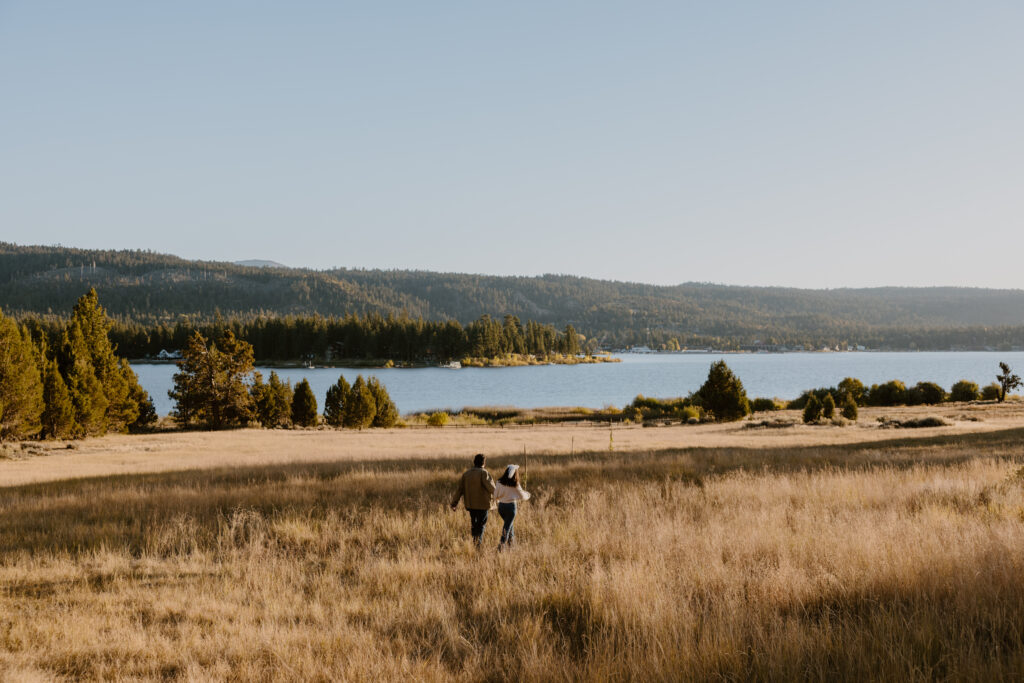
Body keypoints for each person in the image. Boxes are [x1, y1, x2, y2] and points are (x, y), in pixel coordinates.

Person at [450, 453, 495, 547]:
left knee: (474, 524)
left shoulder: (466, 474)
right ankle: (477, 543)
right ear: (484, 463)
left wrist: (454, 503)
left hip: (471, 505)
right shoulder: (484, 473)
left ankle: (475, 539)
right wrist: (501, 496)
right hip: (483, 505)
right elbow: (492, 488)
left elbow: (460, 490)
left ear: (474, 462)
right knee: (481, 525)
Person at [494, 464, 531, 550]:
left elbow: (495, 496)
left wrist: (502, 497)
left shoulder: (499, 482)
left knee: (509, 525)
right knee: (507, 527)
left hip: (501, 507)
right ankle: (501, 546)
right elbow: (522, 496)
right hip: (511, 508)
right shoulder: (515, 484)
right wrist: (528, 494)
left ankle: (512, 545)